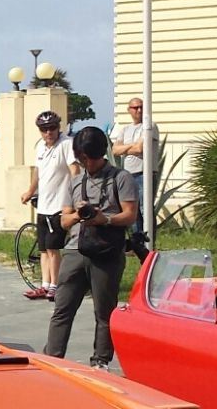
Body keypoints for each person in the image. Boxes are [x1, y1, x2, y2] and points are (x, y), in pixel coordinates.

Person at [44, 127, 138, 371]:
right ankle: (52, 359)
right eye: (82, 159)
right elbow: (63, 221)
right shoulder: (75, 182)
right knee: (62, 308)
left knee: (105, 312)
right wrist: (78, 215)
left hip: (107, 252)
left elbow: (130, 214)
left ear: (99, 154)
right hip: (75, 250)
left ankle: (101, 361)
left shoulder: (121, 178)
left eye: (89, 158)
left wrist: (104, 219)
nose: (86, 163)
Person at [20, 110, 72, 300]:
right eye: (44, 129)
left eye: (52, 128)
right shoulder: (41, 147)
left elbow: (75, 172)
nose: (48, 133)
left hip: (59, 205)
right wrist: (30, 191)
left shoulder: (67, 145)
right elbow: (38, 173)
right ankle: (44, 284)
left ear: (59, 128)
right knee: (43, 249)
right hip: (44, 204)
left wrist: (74, 200)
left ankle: (55, 285)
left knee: (53, 248)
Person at [111, 97, 158, 251]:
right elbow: (115, 150)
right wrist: (131, 145)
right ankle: (137, 244)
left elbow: (140, 149)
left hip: (144, 173)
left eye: (141, 107)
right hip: (129, 174)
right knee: (133, 211)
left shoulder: (149, 126)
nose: (138, 110)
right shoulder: (125, 129)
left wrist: (126, 147)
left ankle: (149, 243)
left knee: (145, 210)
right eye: (135, 107)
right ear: (129, 110)